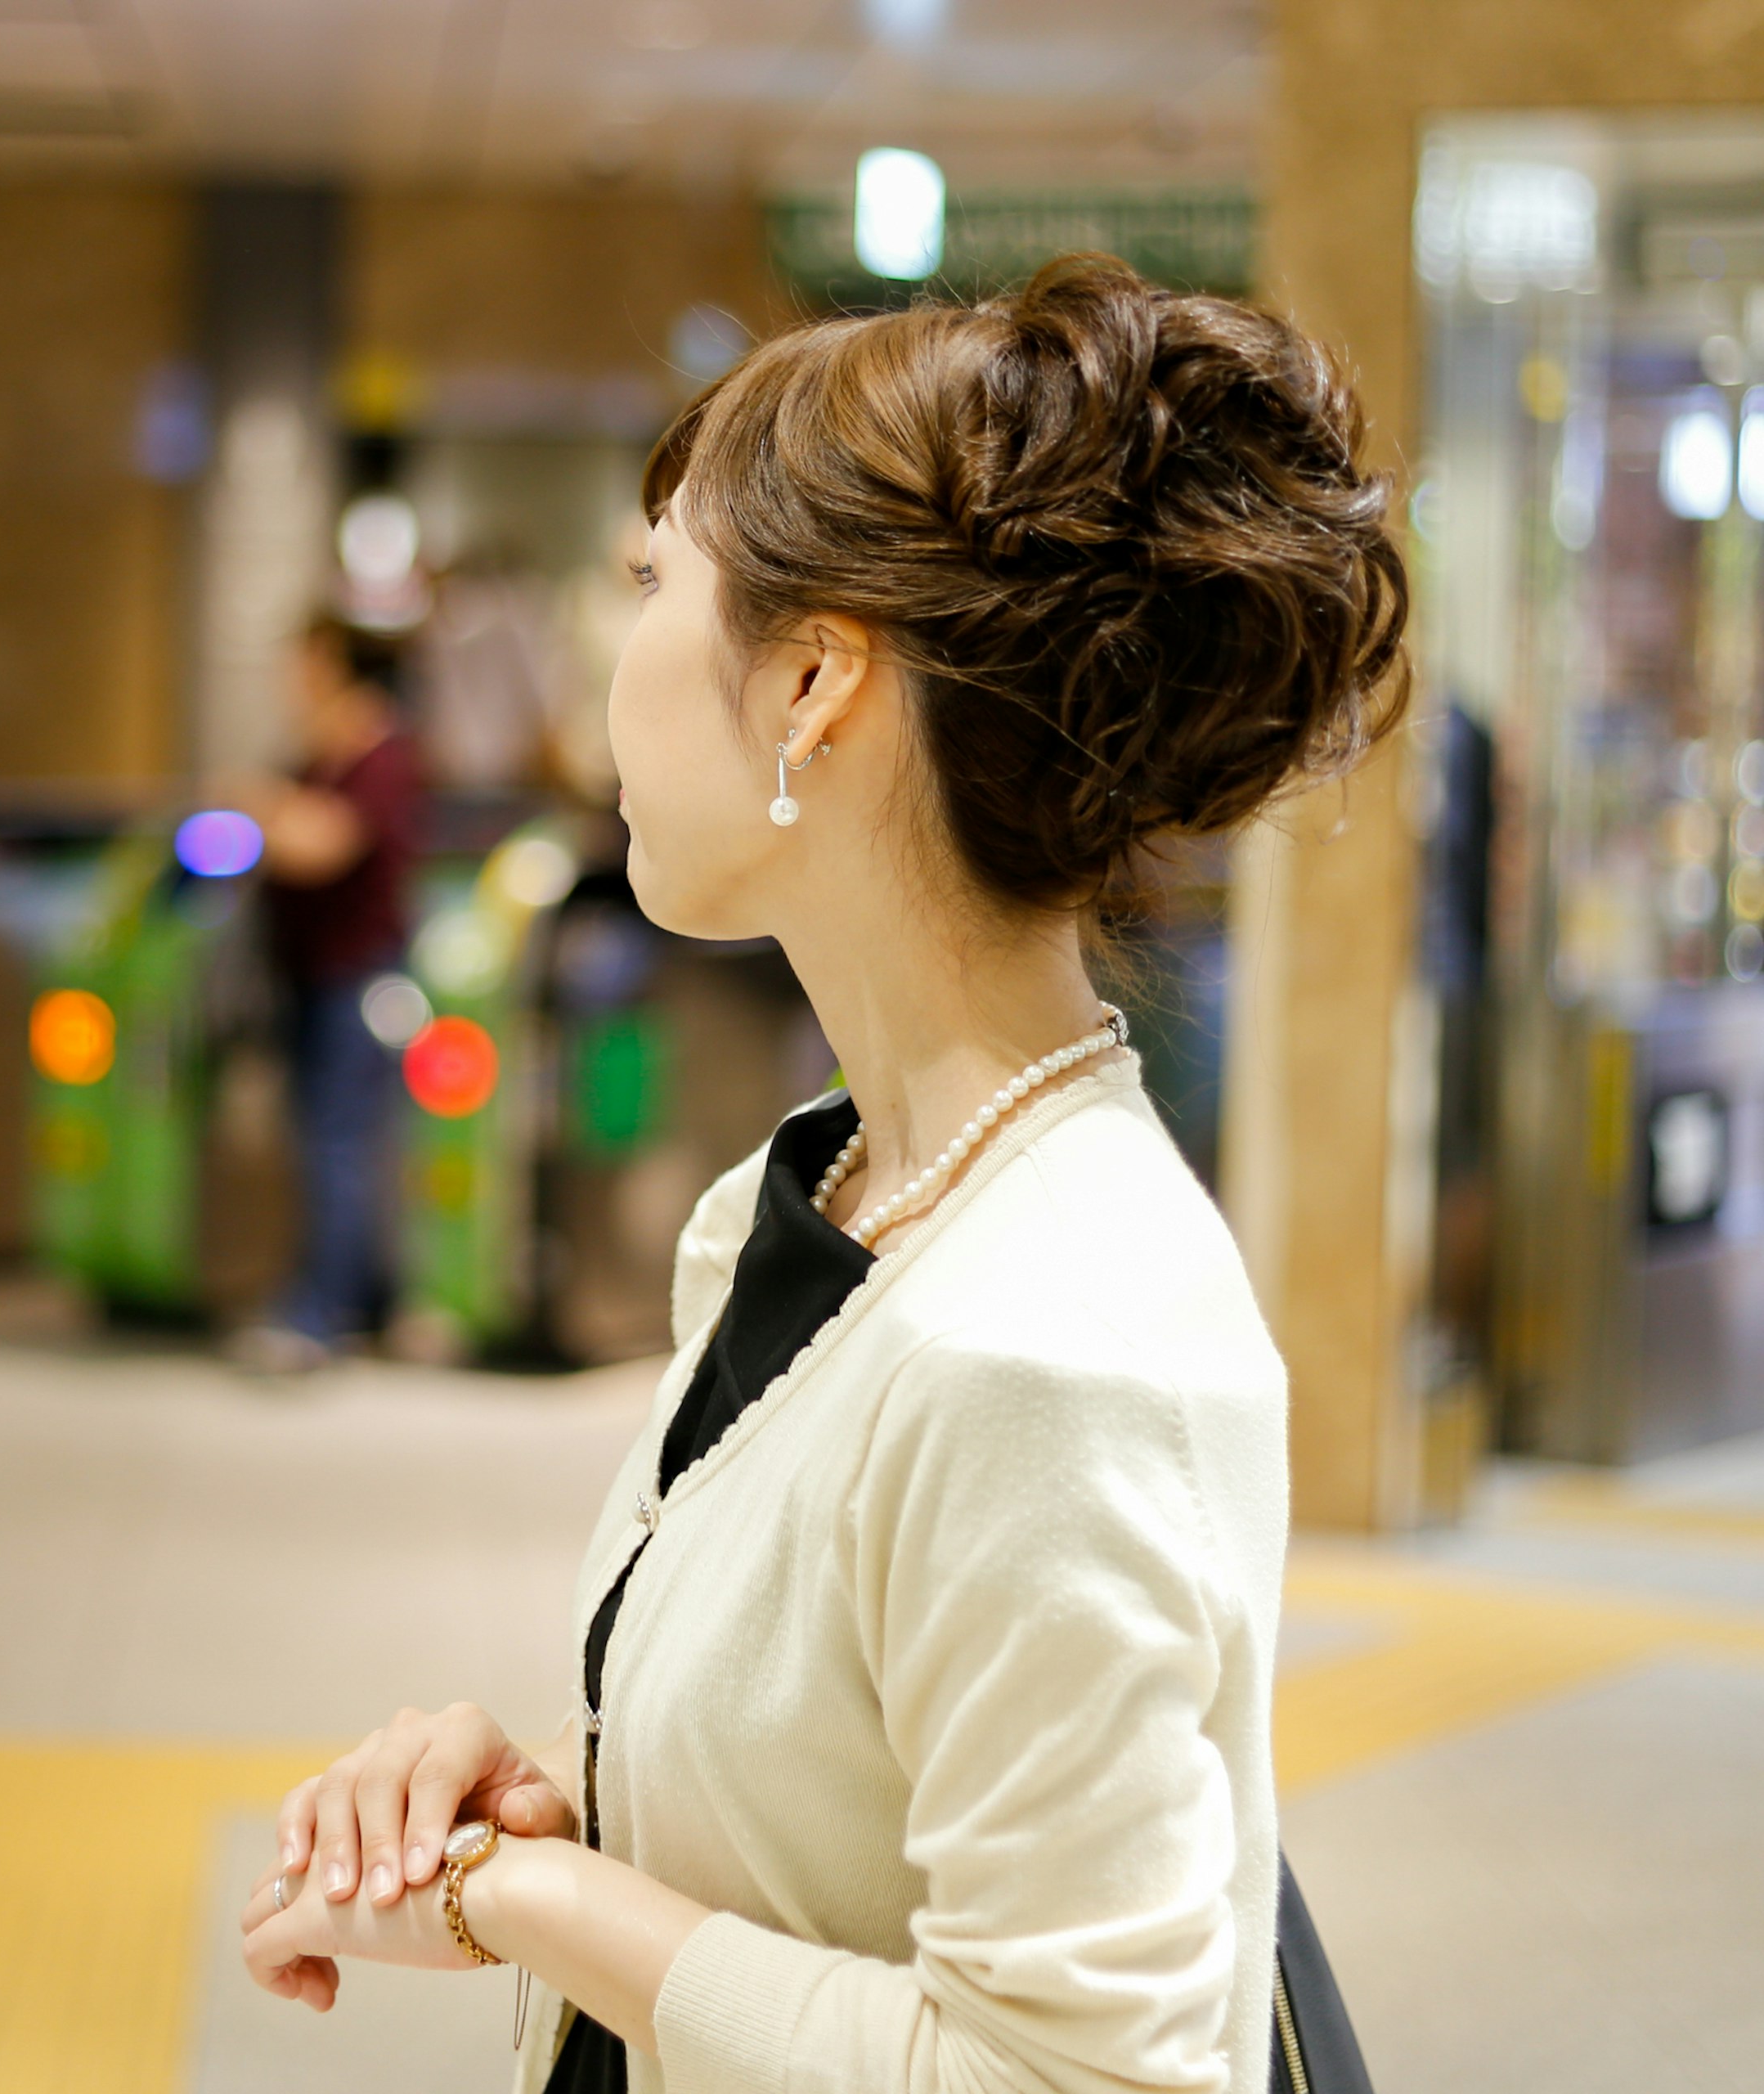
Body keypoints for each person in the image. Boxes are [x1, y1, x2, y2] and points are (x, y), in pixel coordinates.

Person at [237, 254, 1405, 2094]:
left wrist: (531, 1899)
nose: (608, 661)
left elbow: (1075, 2074)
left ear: (807, 681)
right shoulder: (836, 1200)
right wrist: (572, 1787)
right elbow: (854, 1794)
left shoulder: (1044, 1340)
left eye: (649, 584)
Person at [221, 617, 429, 1374]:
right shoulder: (316, 752)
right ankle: (362, 1298)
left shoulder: (380, 752)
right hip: (308, 975)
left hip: (359, 979)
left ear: (332, 663)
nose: (288, 678)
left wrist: (261, 809)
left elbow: (324, 845)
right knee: (326, 1142)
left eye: (298, 661)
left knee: (340, 1145)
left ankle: (326, 1311)